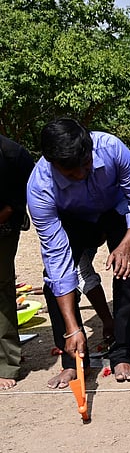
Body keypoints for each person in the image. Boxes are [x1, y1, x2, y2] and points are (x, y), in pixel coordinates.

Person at [27, 119, 130, 386]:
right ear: (52, 164)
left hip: (116, 211)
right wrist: (72, 326)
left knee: (125, 271)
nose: (81, 175)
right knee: (53, 283)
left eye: (85, 166)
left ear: (89, 150)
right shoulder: (40, 188)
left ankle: (123, 354)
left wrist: (127, 244)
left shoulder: (112, 148)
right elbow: (58, 263)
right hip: (70, 218)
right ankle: (72, 360)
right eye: (70, 174)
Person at [0, 134, 34, 390]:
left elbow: (14, 204)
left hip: (3, 226)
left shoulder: (14, 155)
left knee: (1, 292)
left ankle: (6, 363)